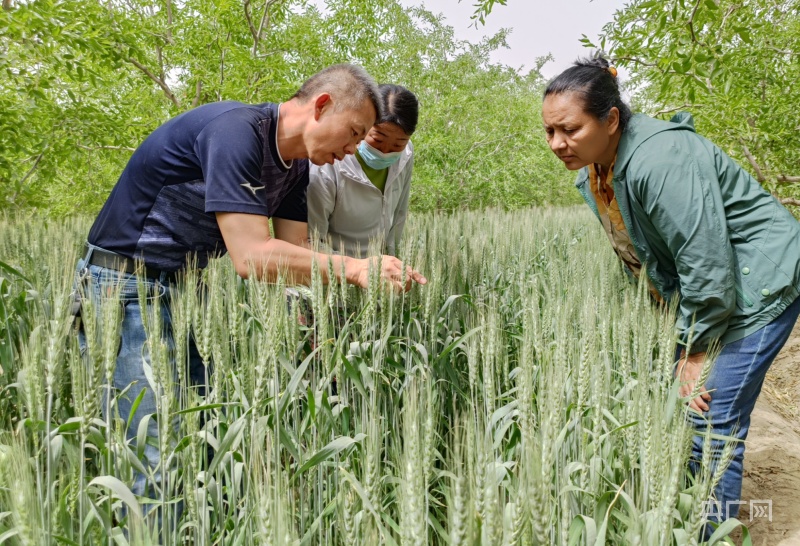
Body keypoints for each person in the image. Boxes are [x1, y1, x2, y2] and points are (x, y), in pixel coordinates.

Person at [75, 63, 426, 500]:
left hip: (187, 289)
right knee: (157, 459)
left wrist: (344, 305)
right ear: (321, 106)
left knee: (199, 442)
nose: (354, 150)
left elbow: (297, 255)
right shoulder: (236, 131)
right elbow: (251, 256)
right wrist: (356, 269)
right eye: (354, 132)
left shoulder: (296, 168)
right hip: (125, 288)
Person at [541, 55, 800, 527]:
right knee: (675, 402)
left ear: (611, 118)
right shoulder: (595, 172)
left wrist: (695, 350)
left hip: (760, 281)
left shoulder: (661, 159)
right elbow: (642, 256)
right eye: (549, 132)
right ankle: (688, 517)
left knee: (709, 414)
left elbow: (705, 260)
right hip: (720, 287)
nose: (558, 143)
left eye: (570, 129)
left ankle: (711, 534)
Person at [307, 84, 418, 258]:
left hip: (382, 275)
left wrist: (394, 264)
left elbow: (399, 215)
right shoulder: (328, 165)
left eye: (398, 144)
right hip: (335, 274)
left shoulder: (406, 154)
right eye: (377, 139)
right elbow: (311, 239)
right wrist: (354, 270)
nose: (385, 151)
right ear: (363, 126)